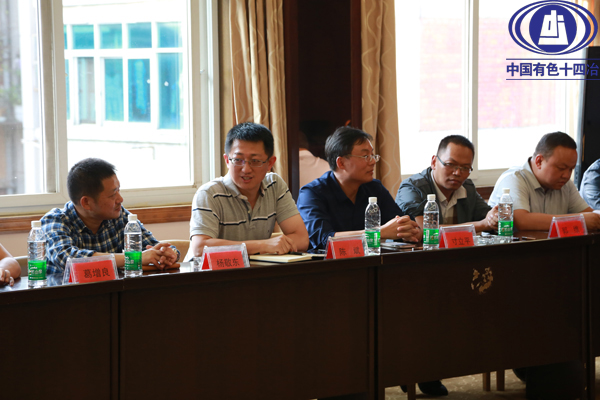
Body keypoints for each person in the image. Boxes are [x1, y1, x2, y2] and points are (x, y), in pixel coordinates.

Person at [190, 122, 309, 256]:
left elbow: (302, 239)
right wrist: (263, 245)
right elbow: (200, 247)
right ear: (227, 160)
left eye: (255, 161)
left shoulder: (274, 185)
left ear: (270, 163)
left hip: (254, 268)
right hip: (206, 270)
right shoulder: (209, 194)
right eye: (238, 160)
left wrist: (265, 246)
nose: (246, 169)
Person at [41, 158, 179, 274]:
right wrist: (133, 258)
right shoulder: (54, 221)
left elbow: (152, 247)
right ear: (86, 202)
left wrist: (169, 254)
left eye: (118, 190)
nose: (120, 199)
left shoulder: (119, 216)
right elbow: (68, 259)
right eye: (113, 194)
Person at [297, 127, 421, 249]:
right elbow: (324, 239)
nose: (373, 161)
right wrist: (379, 233)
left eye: (372, 155)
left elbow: (405, 226)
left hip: (371, 259)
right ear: (341, 163)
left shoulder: (374, 188)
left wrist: (408, 232)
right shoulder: (311, 194)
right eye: (365, 156)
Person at [488, 132, 600, 231]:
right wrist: (577, 220)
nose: (566, 175)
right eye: (561, 168)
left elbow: (590, 215)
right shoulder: (513, 179)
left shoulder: (565, 184)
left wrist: (592, 217)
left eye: (571, 169)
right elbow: (522, 221)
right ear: (539, 161)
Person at [396, 135, 498, 233]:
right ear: (434, 162)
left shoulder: (467, 188)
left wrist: (493, 218)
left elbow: (487, 217)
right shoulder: (411, 188)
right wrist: (482, 225)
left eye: (465, 168)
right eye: (450, 164)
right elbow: (424, 230)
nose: (457, 173)